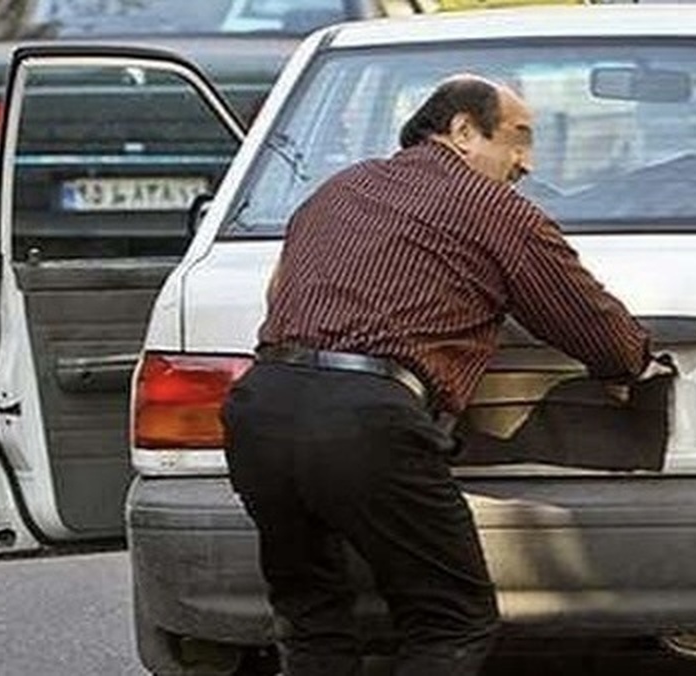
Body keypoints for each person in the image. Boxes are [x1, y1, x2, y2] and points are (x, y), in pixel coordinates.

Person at [221, 74, 658, 676]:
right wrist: (631, 364)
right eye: (517, 139)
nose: (527, 163)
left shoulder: (340, 187)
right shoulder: (494, 208)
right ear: (462, 130)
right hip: (364, 421)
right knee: (451, 619)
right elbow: (588, 321)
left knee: (311, 616)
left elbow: (279, 293)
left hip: (260, 410)